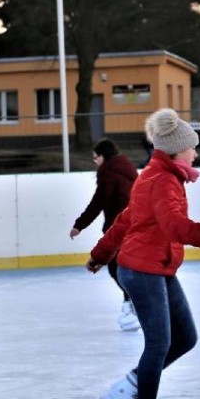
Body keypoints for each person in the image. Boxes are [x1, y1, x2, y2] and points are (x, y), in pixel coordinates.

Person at [87, 108, 200, 399]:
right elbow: (173, 225)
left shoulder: (155, 174)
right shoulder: (162, 179)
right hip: (141, 269)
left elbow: (124, 221)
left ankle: (131, 385)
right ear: (176, 149)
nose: (195, 153)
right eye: (192, 147)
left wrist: (100, 253)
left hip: (156, 266)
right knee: (160, 342)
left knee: (185, 337)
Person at [69, 138, 140, 331]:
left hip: (119, 227)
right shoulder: (127, 168)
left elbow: (99, 201)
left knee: (116, 268)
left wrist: (79, 225)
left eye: (95, 158)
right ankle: (131, 303)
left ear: (103, 156)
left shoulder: (108, 171)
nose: (95, 162)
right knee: (123, 268)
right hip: (135, 224)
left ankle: (135, 303)